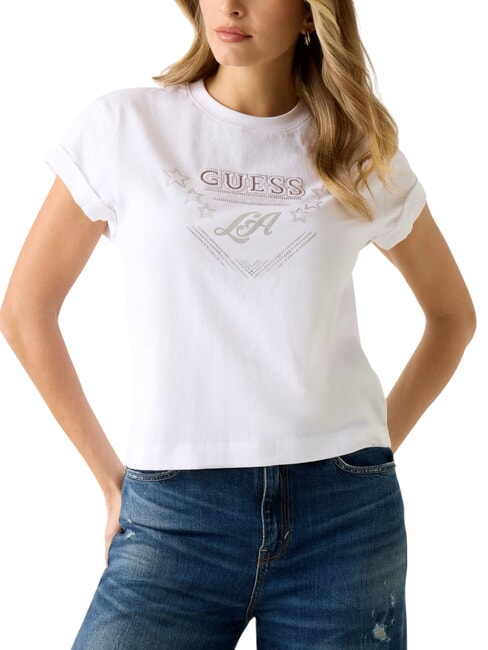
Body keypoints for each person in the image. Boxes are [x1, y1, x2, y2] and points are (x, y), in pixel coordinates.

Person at [0, 0, 476, 647]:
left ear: (311, 16)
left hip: (342, 524)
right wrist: (110, 481)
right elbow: (26, 311)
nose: (231, 6)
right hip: (175, 515)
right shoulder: (125, 128)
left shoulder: (355, 150)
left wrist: (370, 449)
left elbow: (452, 316)